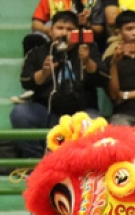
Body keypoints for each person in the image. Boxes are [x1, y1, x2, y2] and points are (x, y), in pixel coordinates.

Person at [11, 11, 104, 159]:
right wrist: (44, 72)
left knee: (95, 122)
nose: (64, 33)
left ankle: (82, 165)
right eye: (60, 28)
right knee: (20, 113)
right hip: (48, 112)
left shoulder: (87, 49)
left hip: (81, 113)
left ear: (76, 33)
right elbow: (26, 81)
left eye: (69, 29)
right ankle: (35, 161)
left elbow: (103, 79)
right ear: (51, 30)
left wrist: (87, 62)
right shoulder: (38, 52)